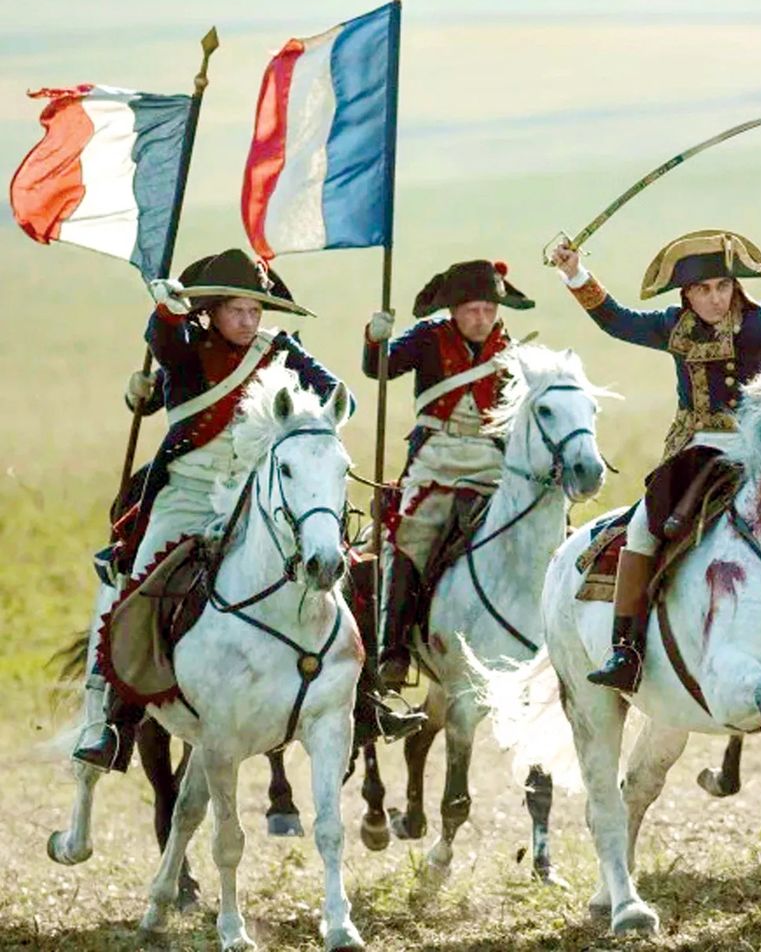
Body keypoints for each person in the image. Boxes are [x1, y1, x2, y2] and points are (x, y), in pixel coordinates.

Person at [74, 249, 423, 773]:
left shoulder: (278, 350)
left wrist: (347, 377)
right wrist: (166, 312)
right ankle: (115, 724)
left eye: (254, 311)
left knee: (344, 572)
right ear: (212, 312)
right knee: (141, 589)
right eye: (236, 310)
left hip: (254, 496)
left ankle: (367, 700)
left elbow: (337, 397)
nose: (247, 320)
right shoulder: (186, 351)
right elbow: (163, 340)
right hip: (187, 496)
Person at [551, 230, 761, 694]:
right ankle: (626, 650)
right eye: (704, 289)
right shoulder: (672, 326)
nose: (716, 298)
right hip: (694, 451)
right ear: (686, 294)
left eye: (723, 287)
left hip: (755, 450)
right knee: (642, 528)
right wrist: (575, 274)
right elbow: (617, 321)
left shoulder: (759, 323)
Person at [363, 259, 534, 687]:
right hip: (436, 460)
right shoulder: (427, 338)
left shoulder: (511, 350)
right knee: (410, 535)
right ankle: (394, 649)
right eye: (473, 310)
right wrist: (375, 340)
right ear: (454, 310)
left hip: (492, 462)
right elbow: (379, 369)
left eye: (489, 310)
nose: (482, 318)